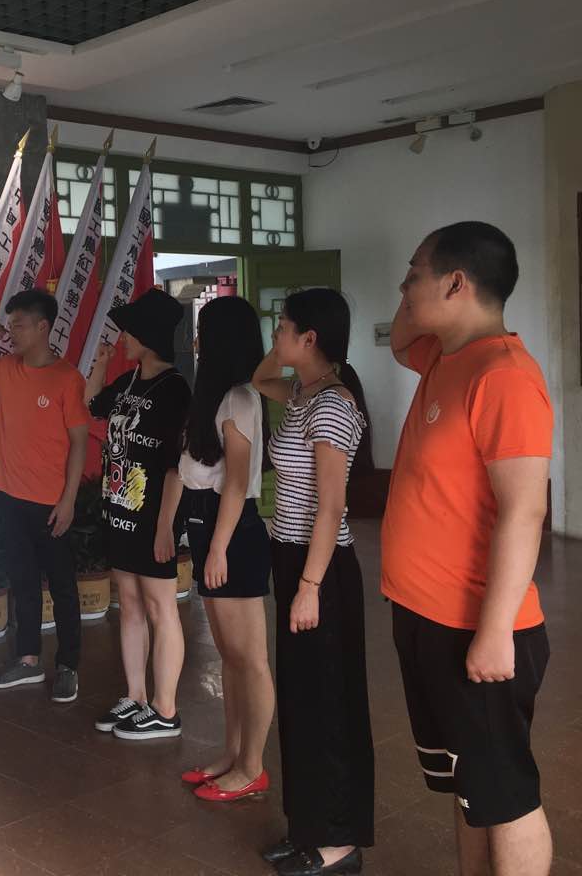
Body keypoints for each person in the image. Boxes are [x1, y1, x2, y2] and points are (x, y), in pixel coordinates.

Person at [384, 222, 552, 876]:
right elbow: (401, 336)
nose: (403, 289)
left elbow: (525, 510)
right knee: (468, 785)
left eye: (413, 275)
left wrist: (495, 631)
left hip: (475, 627)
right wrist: (419, 291)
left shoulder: (504, 375)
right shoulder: (443, 356)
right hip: (425, 614)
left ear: (456, 283)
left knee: (505, 795)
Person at [252, 288, 373, 876]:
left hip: (320, 570)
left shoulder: (332, 406)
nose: (275, 335)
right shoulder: (302, 394)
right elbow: (259, 378)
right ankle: (307, 827)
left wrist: (309, 586)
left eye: (284, 327)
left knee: (328, 707)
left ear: (310, 338)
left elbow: (332, 507)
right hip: (294, 559)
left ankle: (339, 842)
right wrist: (285, 351)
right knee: (301, 703)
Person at [0, 288, 90, 703]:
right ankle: (28, 660)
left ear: (43, 327)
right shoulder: (7, 368)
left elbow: (79, 442)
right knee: (23, 581)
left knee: (63, 586)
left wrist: (68, 500)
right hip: (8, 495)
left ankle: (68, 665)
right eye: (11, 324)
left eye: (19, 325)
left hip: (51, 502)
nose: (12, 332)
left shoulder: (67, 378)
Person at [175, 296, 274, 801]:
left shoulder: (240, 398)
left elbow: (235, 483)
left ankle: (252, 766)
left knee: (249, 659)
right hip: (211, 527)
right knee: (230, 658)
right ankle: (232, 754)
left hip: (231, 531)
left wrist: (218, 549)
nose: (196, 341)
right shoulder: (217, 396)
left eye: (203, 331)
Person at [84, 289, 190, 739]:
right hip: (119, 511)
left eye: (129, 331)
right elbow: (93, 405)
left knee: (160, 607)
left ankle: (166, 709)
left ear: (148, 336)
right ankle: (136, 696)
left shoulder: (175, 389)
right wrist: (101, 365)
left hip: (153, 517)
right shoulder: (129, 382)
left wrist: (166, 527)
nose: (122, 338)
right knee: (128, 604)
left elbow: (177, 466)